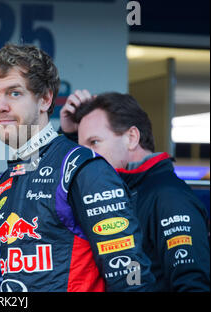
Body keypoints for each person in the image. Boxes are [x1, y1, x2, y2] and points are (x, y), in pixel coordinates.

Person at [0, 43, 155, 292]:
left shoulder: (83, 169)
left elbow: (130, 274)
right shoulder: (3, 183)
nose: (0, 106)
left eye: (14, 93)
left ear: (45, 99)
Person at [59, 90, 210, 291]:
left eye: (94, 142)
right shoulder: (111, 193)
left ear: (131, 137)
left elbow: (193, 285)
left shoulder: (169, 197)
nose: (86, 156)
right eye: (82, 148)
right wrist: (67, 134)